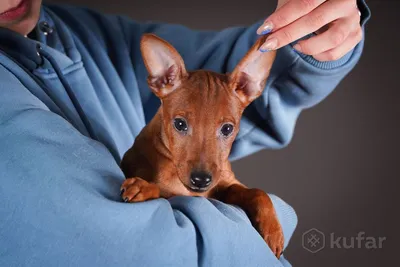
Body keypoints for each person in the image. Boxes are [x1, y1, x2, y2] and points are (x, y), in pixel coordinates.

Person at [0, 0, 370, 266]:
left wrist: (314, 32)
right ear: (160, 80)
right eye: (181, 125)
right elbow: (156, 253)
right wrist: (284, 220)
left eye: (226, 130)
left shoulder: (84, 32)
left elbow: (218, 82)